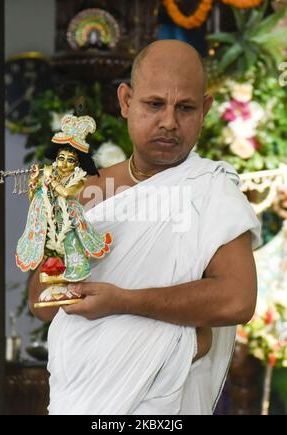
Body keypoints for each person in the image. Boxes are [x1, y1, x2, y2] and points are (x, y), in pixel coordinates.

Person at [29, 40, 261, 415]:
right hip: (82, 398)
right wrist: (63, 252)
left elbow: (237, 299)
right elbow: (42, 306)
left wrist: (124, 301)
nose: (169, 121)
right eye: (154, 104)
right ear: (126, 101)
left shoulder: (212, 190)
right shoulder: (87, 191)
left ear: (204, 110)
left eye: (185, 108)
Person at [17, 146, 112, 306]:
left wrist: (51, 182)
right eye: (61, 158)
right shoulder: (51, 176)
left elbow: (67, 193)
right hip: (51, 223)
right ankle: (54, 286)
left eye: (70, 160)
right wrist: (34, 181)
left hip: (69, 221)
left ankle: (72, 284)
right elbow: (35, 198)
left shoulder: (79, 178)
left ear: (76, 164)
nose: (64, 163)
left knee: (70, 248)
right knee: (50, 254)